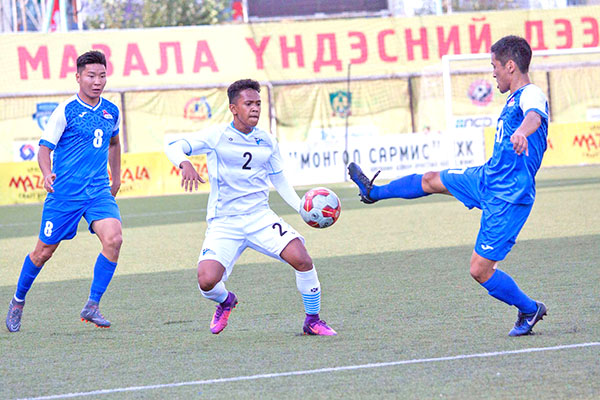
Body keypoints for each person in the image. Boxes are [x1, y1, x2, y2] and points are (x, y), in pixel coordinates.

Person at [348, 35, 548, 337]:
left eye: (494, 66)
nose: (492, 72)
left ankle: (530, 309)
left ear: (510, 66)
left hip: (509, 197)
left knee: (479, 270)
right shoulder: (513, 98)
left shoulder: (531, 94)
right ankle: (372, 192)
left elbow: (534, 116)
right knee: (431, 179)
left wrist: (522, 131)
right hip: (487, 178)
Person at [164, 79, 336, 336]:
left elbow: (279, 179)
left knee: (302, 259)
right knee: (207, 281)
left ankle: (313, 320)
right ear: (233, 108)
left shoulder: (267, 141)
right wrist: (184, 163)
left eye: (258, 103)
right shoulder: (216, 136)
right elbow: (173, 146)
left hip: (260, 217)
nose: (255, 108)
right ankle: (226, 301)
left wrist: (301, 207)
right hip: (225, 221)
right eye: (248, 104)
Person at [5, 50, 123, 332]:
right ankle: (18, 300)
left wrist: (116, 178)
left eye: (102, 76)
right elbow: (44, 148)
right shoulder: (66, 110)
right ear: (78, 77)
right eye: (91, 76)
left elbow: (114, 144)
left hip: (97, 192)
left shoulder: (111, 111)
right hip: (65, 195)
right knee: (42, 252)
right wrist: (47, 174)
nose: (97, 81)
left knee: (114, 239)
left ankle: (92, 305)